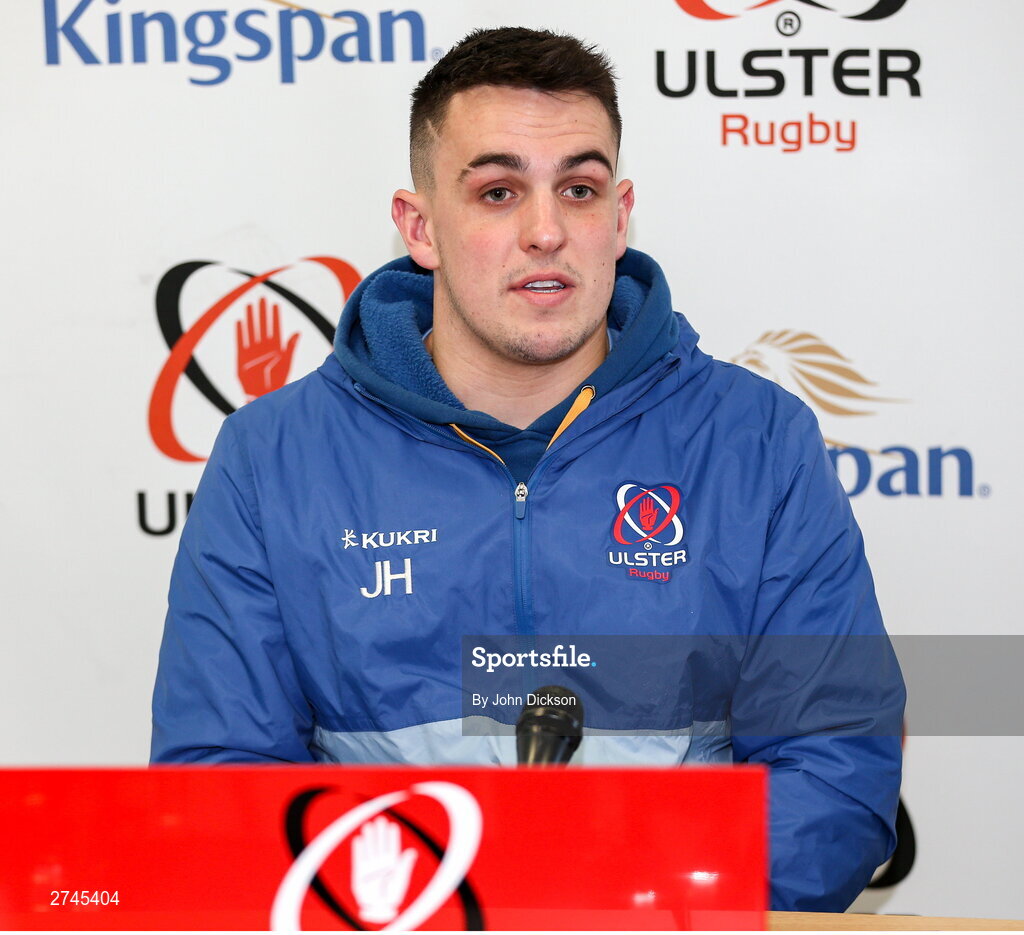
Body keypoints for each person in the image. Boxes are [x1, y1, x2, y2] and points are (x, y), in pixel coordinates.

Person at [151, 27, 905, 911]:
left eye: (578, 190)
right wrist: (444, 901)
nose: (546, 232)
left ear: (619, 217)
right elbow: (221, 783)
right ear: (420, 225)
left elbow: (836, 771)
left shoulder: (757, 440)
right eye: (499, 191)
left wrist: (608, 901)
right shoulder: (272, 458)